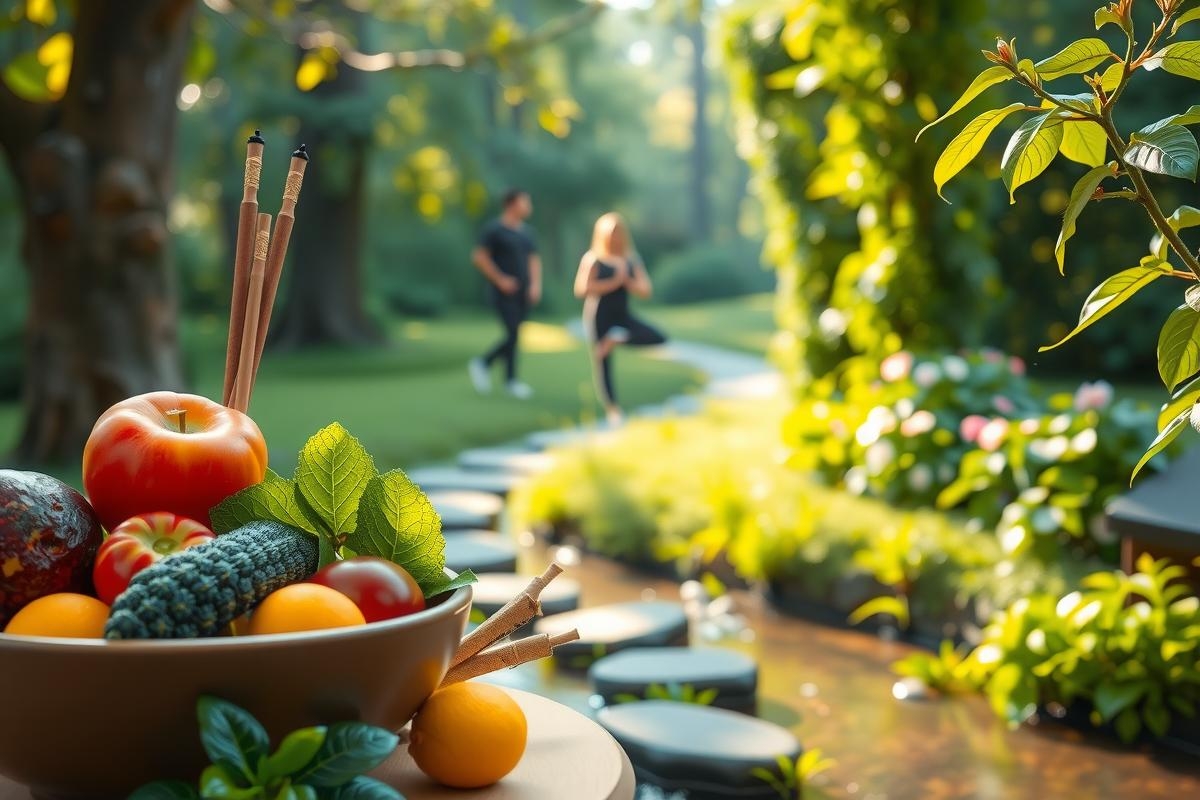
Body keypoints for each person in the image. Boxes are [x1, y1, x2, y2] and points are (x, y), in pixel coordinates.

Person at [574, 212, 666, 426]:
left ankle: (616, 339)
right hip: (599, 314)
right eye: (611, 233)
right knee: (603, 362)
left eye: (619, 233)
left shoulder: (630, 259)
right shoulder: (594, 258)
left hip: (622, 313)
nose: (615, 238)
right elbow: (581, 289)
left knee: (657, 337)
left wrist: (628, 281)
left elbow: (645, 290)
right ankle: (612, 409)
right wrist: (615, 281)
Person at [468, 189, 542, 398]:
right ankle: (486, 364)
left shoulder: (527, 233)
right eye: (524, 202)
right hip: (502, 293)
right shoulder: (494, 230)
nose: (528, 207)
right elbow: (479, 257)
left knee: (515, 335)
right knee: (512, 334)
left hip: (523, 293)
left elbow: (533, 260)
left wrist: (535, 285)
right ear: (511, 204)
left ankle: (506, 378)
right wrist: (501, 280)